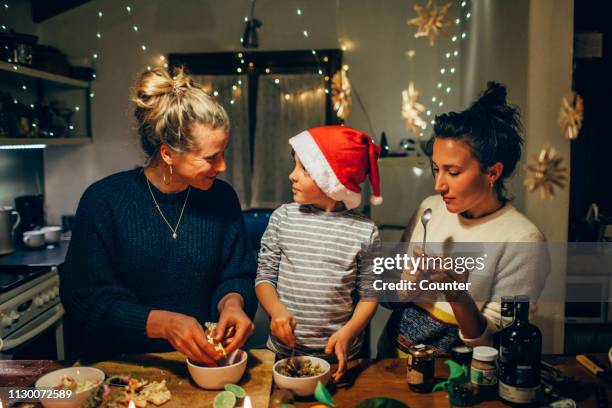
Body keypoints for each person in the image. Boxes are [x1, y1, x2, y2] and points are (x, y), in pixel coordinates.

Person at [60, 67, 256, 364]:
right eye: (210, 158)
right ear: (167, 154)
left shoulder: (222, 199)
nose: (223, 167)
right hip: (120, 366)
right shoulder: (104, 201)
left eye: (223, 153)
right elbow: (85, 299)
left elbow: (236, 274)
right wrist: (164, 324)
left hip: (201, 364)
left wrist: (233, 304)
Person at [379, 82, 550, 356]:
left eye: (453, 172)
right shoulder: (429, 209)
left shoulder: (523, 239)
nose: (439, 185)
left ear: (492, 173)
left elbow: (498, 343)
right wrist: (404, 289)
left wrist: (457, 294)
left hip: (455, 380)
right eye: (436, 169)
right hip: (391, 361)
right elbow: (387, 291)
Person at [256, 126, 381, 382]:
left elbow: (370, 295)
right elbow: (264, 278)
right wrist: (277, 311)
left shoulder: (365, 230)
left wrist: (348, 333)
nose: (292, 175)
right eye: (294, 166)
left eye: (304, 169)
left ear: (331, 179)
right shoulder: (283, 218)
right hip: (283, 354)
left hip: (339, 357)